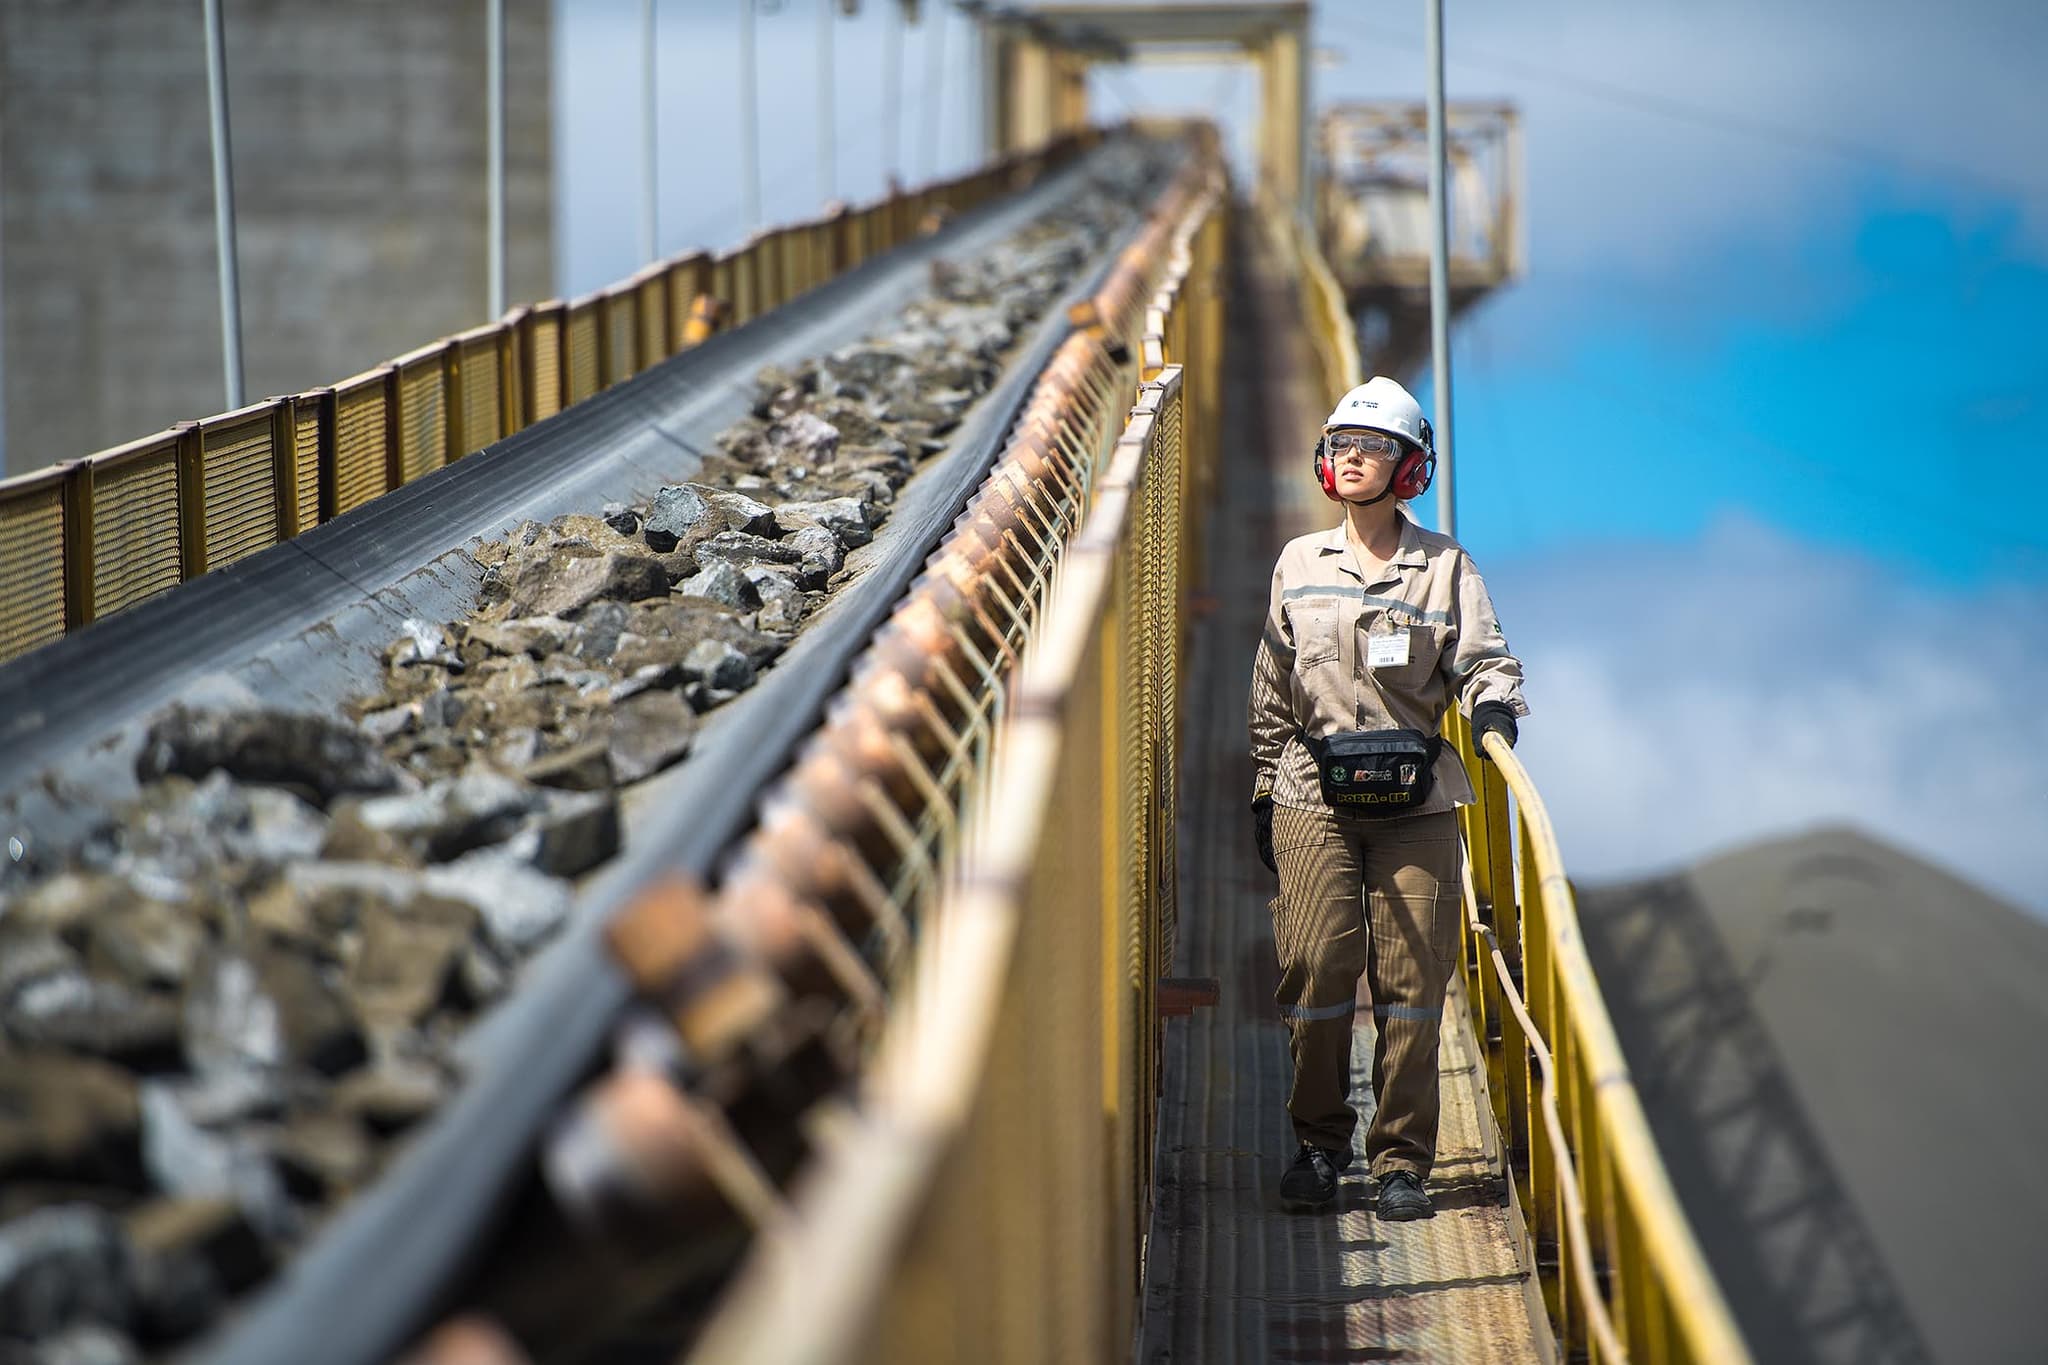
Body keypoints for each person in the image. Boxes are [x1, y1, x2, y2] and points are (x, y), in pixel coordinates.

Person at [1248, 376, 1527, 1218]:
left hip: (1418, 800)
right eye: (1340, 445)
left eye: (1371, 447)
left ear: (1409, 468)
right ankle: (1317, 1144)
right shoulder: (1299, 563)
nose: (1352, 457)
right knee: (1319, 961)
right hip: (1313, 789)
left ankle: (1402, 1159)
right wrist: (1267, 786)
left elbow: (1486, 661)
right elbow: (1271, 681)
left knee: (1412, 981)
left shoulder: (1445, 566)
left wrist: (1491, 713)